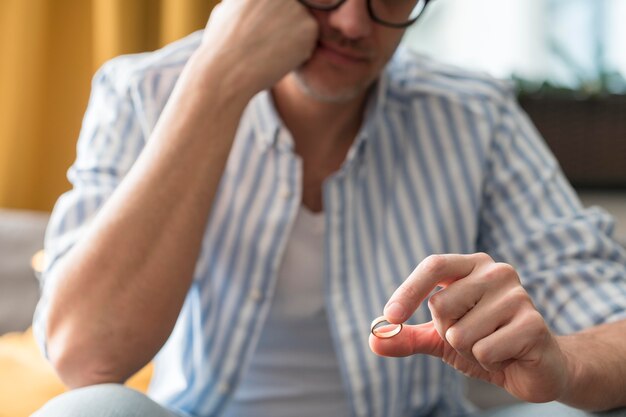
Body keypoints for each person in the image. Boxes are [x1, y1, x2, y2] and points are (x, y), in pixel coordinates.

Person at [32, 0, 626, 416]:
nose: (352, 23)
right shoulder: (141, 90)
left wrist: (563, 363)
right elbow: (85, 358)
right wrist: (216, 79)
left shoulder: (476, 112)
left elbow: (613, 318)